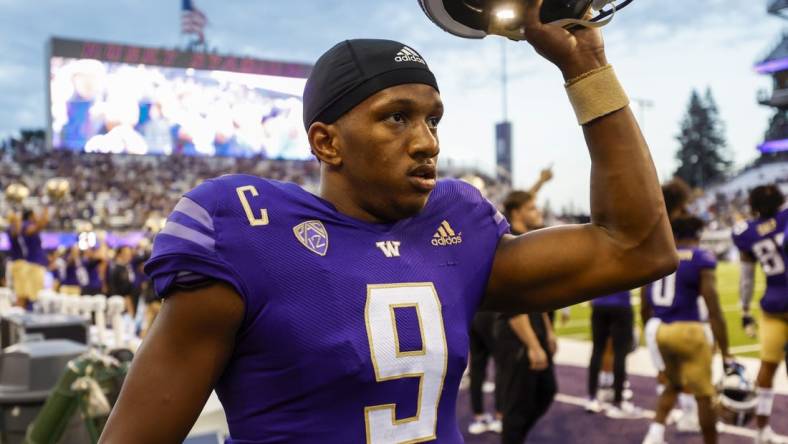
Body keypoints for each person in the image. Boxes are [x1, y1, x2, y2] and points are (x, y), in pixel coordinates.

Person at [100, 4, 677, 442]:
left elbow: (638, 248)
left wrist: (587, 66)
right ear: (327, 142)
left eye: (433, 119)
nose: (427, 143)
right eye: (396, 118)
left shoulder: (454, 230)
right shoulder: (246, 229)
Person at [467, 168, 552, 436]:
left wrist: (547, 330)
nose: (537, 211)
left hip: (492, 315)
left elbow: (521, 202)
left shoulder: (512, 233)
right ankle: (500, 416)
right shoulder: (506, 237)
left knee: (537, 390)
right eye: (532, 208)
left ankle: (490, 415)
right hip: (505, 324)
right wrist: (533, 342)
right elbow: (516, 302)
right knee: (507, 383)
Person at [641, 216, 734, 444]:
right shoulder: (701, 257)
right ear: (698, 234)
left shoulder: (658, 257)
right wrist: (726, 351)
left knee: (673, 383)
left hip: (661, 329)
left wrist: (650, 331)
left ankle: (654, 436)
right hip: (690, 331)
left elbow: (645, 305)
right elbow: (714, 308)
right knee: (705, 395)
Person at [732, 184, 787, 444]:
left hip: (773, 305)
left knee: (767, 367)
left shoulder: (747, 233)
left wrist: (744, 310)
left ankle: (762, 431)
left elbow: (746, 279)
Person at [585, 290, 637, 418]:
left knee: (597, 350)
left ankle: (592, 398)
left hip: (599, 304)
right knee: (620, 353)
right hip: (621, 305)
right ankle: (617, 402)